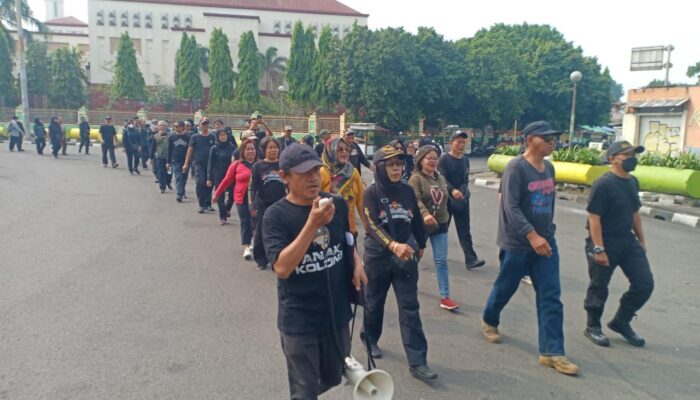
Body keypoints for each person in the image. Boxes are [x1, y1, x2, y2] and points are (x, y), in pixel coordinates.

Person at [261, 143, 367, 400]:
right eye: (304, 173)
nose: (313, 178)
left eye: (316, 171)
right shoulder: (275, 216)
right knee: (305, 390)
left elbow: (347, 238)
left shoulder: (336, 204)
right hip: (300, 319)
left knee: (332, 375)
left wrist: (356, 261)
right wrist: (312, 224)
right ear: (284, 176)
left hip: (335, 313)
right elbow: (283, 268)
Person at [481, 120, 578, 376]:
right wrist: (532, 236)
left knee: (550, 295)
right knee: (505, 287)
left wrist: (546, 234)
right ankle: (490, 319)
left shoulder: (549, 169)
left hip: (546, 242)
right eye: (546, 137)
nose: (552, 141)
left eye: (553, 137)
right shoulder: (516, 168)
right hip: (518, 244)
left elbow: (549, 204)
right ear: (530, 139)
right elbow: (510, 207)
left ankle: (552, 351)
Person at [361, 145, 437, 381]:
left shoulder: (407, 191)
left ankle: (418, 361)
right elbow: (371, 225)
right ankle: (370, 338)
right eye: (390, 164)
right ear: (380, 167)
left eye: (399, 164)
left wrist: (421, 244)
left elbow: (415, 222)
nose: (396, 169)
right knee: (374, 303)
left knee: (410, 308)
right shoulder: (371, 193)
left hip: (406, 257)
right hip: (378, 257)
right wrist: (392, 245)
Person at [583, 141, 653, 348]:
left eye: (634, 154)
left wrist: (641, 240)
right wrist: (598, 248)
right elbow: (594, 219)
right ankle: (592, 326)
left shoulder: (632, 182)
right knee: (599, 286)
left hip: (627, 241)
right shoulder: (603, 184)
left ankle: (621, 321)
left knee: (645, 284)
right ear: (613, 159)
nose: (632, 158)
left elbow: (634, 213)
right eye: (627, 155)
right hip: (604, 241)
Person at [409, 145, 459, 310]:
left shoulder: (440, 178)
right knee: (415, 257)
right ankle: (408, 285)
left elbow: (444, 199)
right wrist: (425, 214)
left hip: (440, 224)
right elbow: (415, 200)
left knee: (441, 261)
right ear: (421, 160)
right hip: (420, 225)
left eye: (435, 158)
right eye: (429, 157)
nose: (432, 161)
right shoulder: (415, 179)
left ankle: (445, 297)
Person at [438, 130, 486, 270]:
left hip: (462, 200)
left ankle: (471, 259)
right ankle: (435, 254)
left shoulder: (465, 161)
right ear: (451, 142)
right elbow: (442, 179)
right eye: (458, 142)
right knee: (441, 229)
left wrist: (463, 192)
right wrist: (452, 190)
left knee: (464, 230)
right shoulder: (444, 159)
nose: (461, 145)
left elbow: (465, 179)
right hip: (446, 200)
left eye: (463, 142)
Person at [214, 138, 257, 260]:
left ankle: (255, 241)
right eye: (248, 149)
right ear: (242, 151)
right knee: (245, 221)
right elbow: (226, 181)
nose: (250, 152)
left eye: (252, 149)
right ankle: (247, 246)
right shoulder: (236, 165)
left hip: (257, 199)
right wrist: (217, 194)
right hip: (241, 197)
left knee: (256, 222)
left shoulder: (260, 164)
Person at [249, 136, 285, 269]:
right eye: (270, 148)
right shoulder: (258, 166)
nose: (273, 150)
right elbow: (252, 188)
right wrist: (252, 205)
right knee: (260, 231)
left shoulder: (282, 165)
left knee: (279, 233)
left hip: (280, 205)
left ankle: (277, 259)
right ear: (264, 150)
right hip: (262, 204)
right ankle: (261, 259)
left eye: (275, 148)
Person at [320, 137, 365, 237]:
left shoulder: (353, 172)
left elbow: (361, 203)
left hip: (350, 230)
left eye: (347, 149)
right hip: (327, 231)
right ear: (330, 150)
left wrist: (369, 228)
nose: (344, 152)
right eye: (339, 149)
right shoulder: (321, 173)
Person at [183, 118, 215, 214]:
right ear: (199, 125)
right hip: (198, 163)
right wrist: (186, 163)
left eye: (206, 123)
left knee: (209, 183)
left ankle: (208, 203)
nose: (205, 125)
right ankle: (201, 204)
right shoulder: (195, 137)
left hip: (210, 164)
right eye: (203, 124)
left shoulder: (212, 137)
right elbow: (190, 150)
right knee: (201, 182)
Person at [207, 129, 235, 225]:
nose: (223, 137)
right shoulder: (214, 148)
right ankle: (222, 216)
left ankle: (227, 209)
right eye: (221, 135)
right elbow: (210, 164)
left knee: (232, 195)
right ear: (218, 137)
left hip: (231, 174)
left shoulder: (232, 148)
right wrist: (209, 178)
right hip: (218, 174)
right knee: (220, 196)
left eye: (225, 135)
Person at [167, 121, 191, 202]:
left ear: (182, 127)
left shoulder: (188, 137)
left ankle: (182, 191)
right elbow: (169, 150)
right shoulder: (172, 137)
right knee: (178, 176)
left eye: (177, 126)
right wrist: (168, 162)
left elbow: (190, 150)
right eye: (174, 126)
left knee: (184, 177)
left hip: (185, 161)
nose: (175, 128)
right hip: (175, 160)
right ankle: (179, 194)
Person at [151, 121, 171, 193]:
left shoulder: (170, 136)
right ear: (158, 127)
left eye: (163, 125)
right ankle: (162, 187)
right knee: (161, 172)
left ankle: (168, 182)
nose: (162, 127)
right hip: (159, 157)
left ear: (166, 127)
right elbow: (153, 147)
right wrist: (151, 157)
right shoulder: (155, 136)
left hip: (169, 158)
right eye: (160, 125)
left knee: (169, 173)